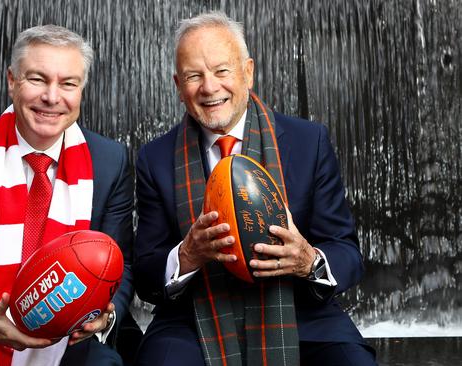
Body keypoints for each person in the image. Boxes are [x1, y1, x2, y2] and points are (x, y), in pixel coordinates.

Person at [133, 11, 376, 366]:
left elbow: (347, 252)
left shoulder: (309, 142)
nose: (209, 87)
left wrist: (309, 261)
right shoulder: (155, 158)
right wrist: (186, 256)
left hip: (298, 311)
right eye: (193, 76)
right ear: (177, 85)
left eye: (221, 71)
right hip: (195, 317)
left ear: (248, 71)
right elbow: (145, 274)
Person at [0, 25, 133, 366]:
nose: (52, 96)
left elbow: (121, 266)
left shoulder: (110, 162)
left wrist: (103, 318)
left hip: (75, 338)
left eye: (68, 83)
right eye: (37, 79)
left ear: (81, 90)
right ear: (12, 81)